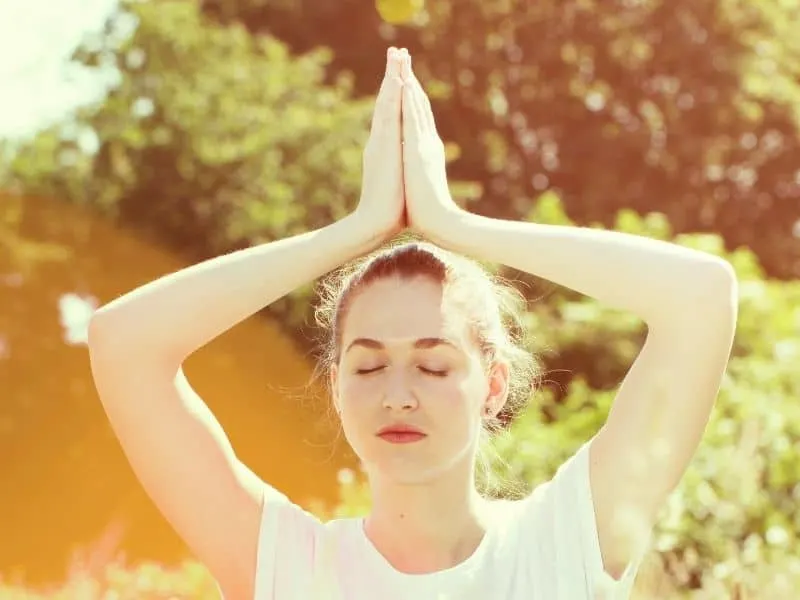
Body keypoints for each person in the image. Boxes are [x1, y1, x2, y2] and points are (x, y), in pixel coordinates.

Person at [87, 47, 738, 600]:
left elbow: (701, 298)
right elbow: (123, 344)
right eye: (368, 365)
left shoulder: (566, 541)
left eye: (433, 363)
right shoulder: (291, 569)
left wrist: (456, 225)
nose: (398, 393)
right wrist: (357, 229)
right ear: (336, 387)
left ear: (492, 384)